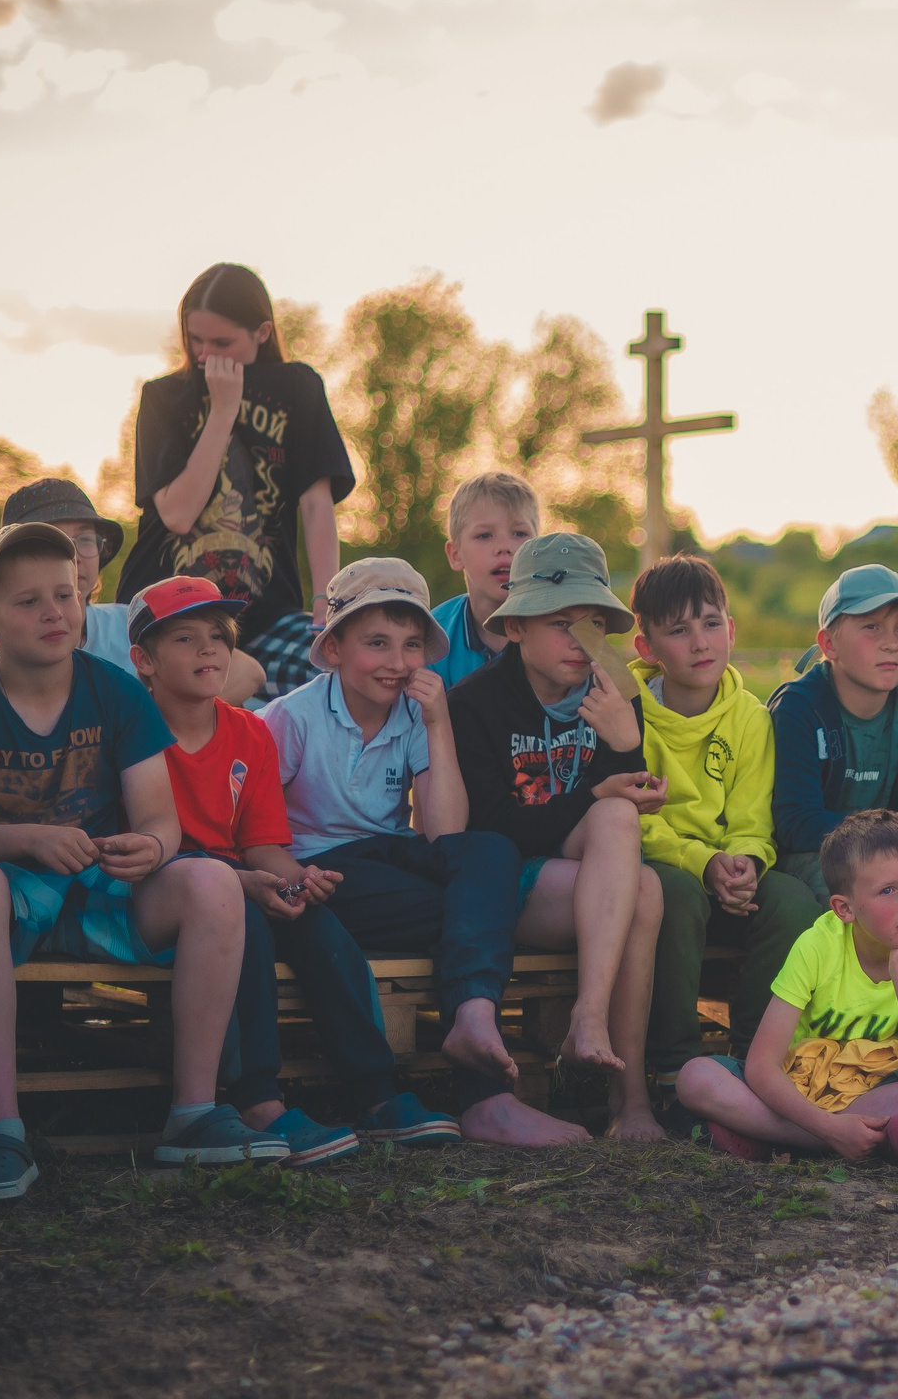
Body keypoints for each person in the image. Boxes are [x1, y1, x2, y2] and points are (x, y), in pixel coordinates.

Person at [0, 523, 281, 1195]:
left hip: (100, 888)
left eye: (65, 596)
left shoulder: (116, 692)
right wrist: (29, 840)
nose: (53, 613)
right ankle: (1, 1131)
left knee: (212, 882)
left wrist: (151, 846)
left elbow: (159, 817)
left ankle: (192, 1112)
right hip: (5, 891)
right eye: (28, 601)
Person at [129, 575, 455, 1165]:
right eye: (184, 639)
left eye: (218, 637)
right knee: (238, 913)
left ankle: (372, 1092)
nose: (208, 650)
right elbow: (144, 847)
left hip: (237, 879)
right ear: (143, 661)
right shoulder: (130, 730)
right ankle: (257, 1100)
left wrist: (294, 879)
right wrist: (249, 882)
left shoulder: (249, 732)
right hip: (161, 890)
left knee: (314, 919)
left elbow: (263, 844)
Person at [265, 559, 549, 1147]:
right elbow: (255, 829)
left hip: (388, 860)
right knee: (477, 911)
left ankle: (472, 1018)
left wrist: (439, 722)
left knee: (491, 852)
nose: (397, 664)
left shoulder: (418, 713)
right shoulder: (290, 719)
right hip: (315, 869)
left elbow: (446, 834)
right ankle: (479, 1096)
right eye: (376, 644)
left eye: (412, 645)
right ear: (335, 648)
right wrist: (293, 875)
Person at [447, 534, 670, 1143]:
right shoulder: (475, 704)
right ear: (515, 627)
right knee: (637, 876)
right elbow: (492, 829)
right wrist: (598, 794)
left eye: (594, 623)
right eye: (560, 622)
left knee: (638, 868)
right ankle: (620, 1081)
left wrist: (627, 747)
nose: (581, 640)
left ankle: (623, 1089)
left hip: (586, 877)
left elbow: (624, 801)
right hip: (509, 889)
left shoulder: (614, 694)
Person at [672, 810, 898, 1162]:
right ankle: (847, 1139)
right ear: (844, 909)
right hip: (800, 1086)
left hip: (883, 1087)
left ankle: (771, 1136)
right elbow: (761, 1066)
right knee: (695, 1077)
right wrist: (828, 1129)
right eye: (888, 890)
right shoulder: (817, 944)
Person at [624, 555, 820, 1098]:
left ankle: (755, 1058)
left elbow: (754, 815)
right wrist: (701, 863)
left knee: (792, 901)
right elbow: (635, 824)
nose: (700, 642)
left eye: (711, 624)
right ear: (647, 649)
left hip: (727, 876)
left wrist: (745, 863)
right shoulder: (629, 714)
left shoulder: (752, 718)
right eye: (678, 631)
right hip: (665, 872)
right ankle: (674, 1066)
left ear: (731, 631)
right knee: (676, 895)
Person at [117, 263, 356, 703]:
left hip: (266, 614)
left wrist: (328, 605)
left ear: (262, 331)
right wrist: (224, 411)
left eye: (222, 342)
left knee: (343, 677)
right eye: (196, 340)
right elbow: (177, 513)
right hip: (167, 612)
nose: (206, 354)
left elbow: (317, 504)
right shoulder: (163, 397)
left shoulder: (298, 387)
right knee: (183, 701)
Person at [767, 565, 898, 906]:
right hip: (822, 855)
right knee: (855, 885)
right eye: (872, 627)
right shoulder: (799, 707)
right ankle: (858, 962)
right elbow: (796, 824)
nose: (891, 644)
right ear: (829, 644)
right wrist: (895, 828)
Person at [0, 479, 263, 704]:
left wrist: (141, 734)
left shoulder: (129, 621)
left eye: (85, 539)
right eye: (51, 544)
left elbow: (248, 672)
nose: (72, 556)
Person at [429, 472, 540, 687]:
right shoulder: (434, 638)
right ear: (455, 555)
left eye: (519, 533)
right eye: (484, 535)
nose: (504, 547)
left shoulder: (566, 625)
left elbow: (621, 691)